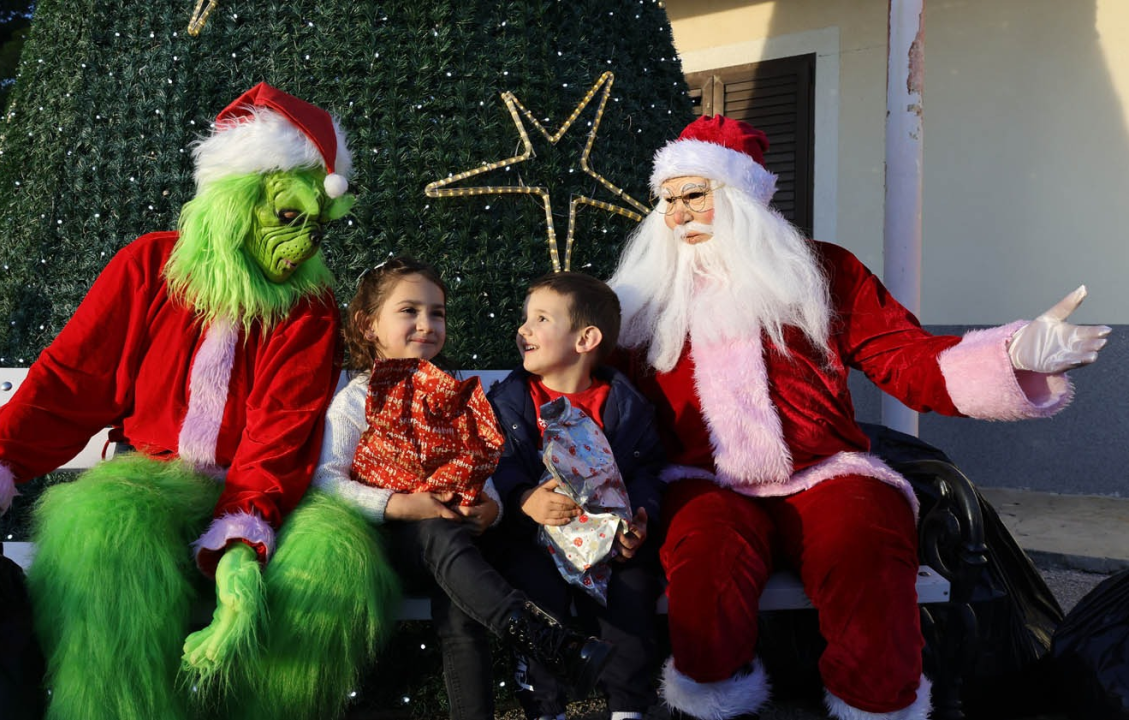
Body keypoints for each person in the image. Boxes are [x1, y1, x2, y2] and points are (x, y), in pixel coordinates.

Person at [0, 83, 396, 720]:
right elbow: (71, 380)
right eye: (288, 215)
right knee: (100, 531)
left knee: (335, 560)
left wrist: (241, 541)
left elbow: (282, 431)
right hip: (151, 477)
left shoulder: (308, 306)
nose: (305, 241)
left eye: (317, 224)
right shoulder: (149, 266)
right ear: (236, 197)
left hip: (268, 493)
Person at [606, 114, 1111, 720]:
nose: (679, 214)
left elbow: (902, 355)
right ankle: (716, 699)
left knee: (868, 549)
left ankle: (875, 706)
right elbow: (593, 390)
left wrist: (1014, 355)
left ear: (742, 197)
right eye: (667, 200)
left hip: (825, 470)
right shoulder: (645, 295)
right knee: (706, 565)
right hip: (702, 478)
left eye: (695, 194)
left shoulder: (822, 271)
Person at [310, 256, 613, 720]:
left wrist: (491, 506)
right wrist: (398, 505)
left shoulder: (452, 392)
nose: (426, 324)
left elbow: (480, 462)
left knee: (459, 613)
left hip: (458, 546)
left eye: (437, 313)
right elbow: (327, 480)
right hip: (391, 544)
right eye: (409, 311)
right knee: (437, 536)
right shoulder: (358, 397)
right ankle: (543, 637)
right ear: (368, 326)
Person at [485, 271, 666, 720]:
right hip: (532, 542)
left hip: (606, 545)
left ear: (586, 338)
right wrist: (524, 498)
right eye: (526, 318)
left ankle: (627, 707)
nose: (523, 329)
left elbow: (646, 471)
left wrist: (641, 521)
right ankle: (544, 707)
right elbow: (495, 462)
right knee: (535, 594)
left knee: (632, 588)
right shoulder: (510, 402)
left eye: (541, 318)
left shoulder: (625, 407)